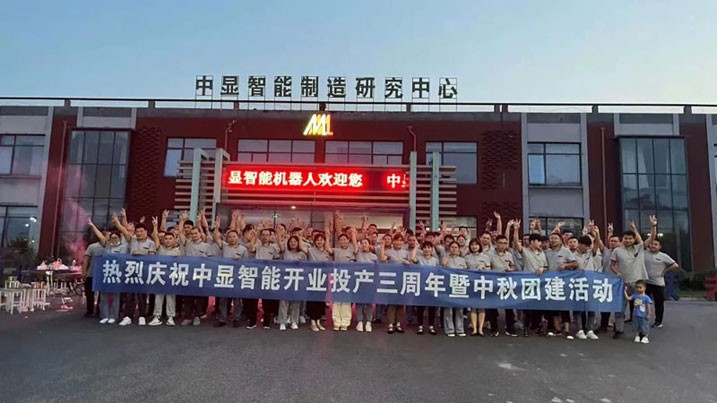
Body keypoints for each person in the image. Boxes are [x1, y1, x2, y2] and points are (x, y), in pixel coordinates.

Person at [610, 217, 656, 340]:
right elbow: (612, 265)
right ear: (623, 239)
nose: (628, 240)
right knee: (620, 308)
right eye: (626, 238)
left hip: (638, 283)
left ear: (634, 239)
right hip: (623, 283)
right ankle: (619, 329)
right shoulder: (617, 251)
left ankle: (641, 331)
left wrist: (653, 226)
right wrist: (617, 272)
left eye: (630, 238)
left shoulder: (639, 248)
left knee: (640, 308)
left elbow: (651, 238)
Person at [114, 216, 156, 326]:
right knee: (129, 295)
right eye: (137, 231)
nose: (139, 233)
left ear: (146, 232)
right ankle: (128, 316)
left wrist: (141, 254)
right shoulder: (132, 240)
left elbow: (152, 258)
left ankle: (142, 316)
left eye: (141, 231)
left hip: (143, 272)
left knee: (142, 295)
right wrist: (117, 221)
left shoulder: (150, 243)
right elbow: (124, 230)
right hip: (131, 271)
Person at [176, 212, 214, 327]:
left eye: (196, 233)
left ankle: (197, 316)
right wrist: (182, 220)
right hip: (188, 274)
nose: (194, 235)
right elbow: (180, 232)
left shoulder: (206, 246)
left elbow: (211, 261)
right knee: (188, 297)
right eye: (192, 234)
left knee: (200, 297)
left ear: (200, 234)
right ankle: (188, 317)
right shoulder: (187, 243)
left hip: (201, 275)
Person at [212, 217, 250, 327]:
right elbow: (216, 238)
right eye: (230, 237)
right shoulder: (224, 246)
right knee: (223, 299)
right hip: (225, 275)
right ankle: (222, 318)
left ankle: (236, 318)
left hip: (237, 276)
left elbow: (247, 264)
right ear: (227, 238)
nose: (232, 238)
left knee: (237, 299)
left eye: (234, 236)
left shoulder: (243, 249)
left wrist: (240, 260)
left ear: (238, 237)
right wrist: (217, 228)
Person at [512, 221, 548, 337]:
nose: (540, 243)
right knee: (527, 308)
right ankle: (526, 327)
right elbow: (516, 244)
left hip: (540, 283)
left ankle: (537, 327)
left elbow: (546, 266)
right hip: (528, 283)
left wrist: (542, 268)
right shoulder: (525, 251)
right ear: (532, 242)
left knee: (539, 307)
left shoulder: (542, 254)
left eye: (541, 241)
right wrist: (516, 229)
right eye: (538, 241)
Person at [88, 220, 125, 324]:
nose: (113, 239)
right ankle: (104, 315)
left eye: (115, 238)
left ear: (119, 238)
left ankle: (113, 315)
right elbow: (101, 236)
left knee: (115, 297)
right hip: (106, 273)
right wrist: (93, 225)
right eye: (112, 238)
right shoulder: (108, 245)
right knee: (104, 296)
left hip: (117, 274)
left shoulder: (123, 247)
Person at [149, 217, 182, 326]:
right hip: (160, 276)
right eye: (166, 238)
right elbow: (155, 237)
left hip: (172, 277)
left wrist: (182, 222)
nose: (167, 240)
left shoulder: (178, 251)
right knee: (158, 296)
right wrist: (155, 226)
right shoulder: (160, 249)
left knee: (171, 297)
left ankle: (170, 317)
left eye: (170, 238)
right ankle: (157, 316)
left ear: (174, 240)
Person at [545, 231, 578, 340]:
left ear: (560, 240)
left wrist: (566, 266)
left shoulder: (566, 251)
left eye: (555, 238)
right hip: (550, 283)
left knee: (564, 307)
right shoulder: (547, 252)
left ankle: (567, 330)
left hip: (563, 283)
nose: (553, 240)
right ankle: (557, 329)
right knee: (553, 307)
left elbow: (575, 263)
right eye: (552, 238)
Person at [487, 235, 518, 337]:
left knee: (509, 306)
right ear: (496, 243)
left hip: (506, 283)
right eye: (500, 243)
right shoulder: (489, 254)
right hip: (494, 283)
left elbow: (513, 267)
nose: (502, 245)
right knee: (492, 307)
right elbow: (487, 269)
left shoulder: (509, 255)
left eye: (505, 243)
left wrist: (510, 270)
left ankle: (510, 328)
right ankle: (494, 328)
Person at [380, 234, 411, 334]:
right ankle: (390, 324)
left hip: (402, 280)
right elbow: (382, 259)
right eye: (397, 240)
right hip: (391, 280)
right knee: (391, 303)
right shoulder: (389, 252)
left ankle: (398, 324)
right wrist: (382, 246)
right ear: (393, 242)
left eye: (401, 240)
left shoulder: (406, 253)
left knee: (400, 303)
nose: (398, 242)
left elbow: (411, 264)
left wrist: (407, 262)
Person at [644, 239, 679, 328]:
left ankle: (658, 321)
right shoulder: (645, 253)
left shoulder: (663, 256)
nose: (653, 246)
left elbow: (675, 265)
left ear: (659, 247)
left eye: (656, 244)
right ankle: (642, 319)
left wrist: (665, 271)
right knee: (642, 302)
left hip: (658, 283)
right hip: (645, 282)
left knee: (658, 303)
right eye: (652, 244)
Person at [573, 234, 602, 340]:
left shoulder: (591, 253)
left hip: (590, 284)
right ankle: (579, 330)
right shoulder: (572, 255)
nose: (586, 247)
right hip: (577, 284)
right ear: (579, 244)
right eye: (584, 245)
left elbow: (597, 244)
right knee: (578, 308)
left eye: (587, 246)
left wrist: (596, 234)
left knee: (591, 307)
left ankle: (590, 330)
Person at [255, 227, 282, 329]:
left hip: (268, 276)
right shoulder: (257, 246)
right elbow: (251, 248)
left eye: (267, 235)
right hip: (257, 275)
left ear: (271, 236)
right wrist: (257, 232)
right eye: (263, 235)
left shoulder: (273, 248)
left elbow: (277, 259)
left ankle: (266, 320)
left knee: (267, 299)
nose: (265, 237)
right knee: (255, 298)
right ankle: (252, 320)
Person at [279, 235, 308, 330]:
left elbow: (306, 268)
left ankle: (294, 321)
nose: (293, 243)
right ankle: (282, 321)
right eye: (291, 241)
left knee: (296, 301)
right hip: (285, 279)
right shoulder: (285, 252)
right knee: (283, 301)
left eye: (295, 241)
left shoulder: (302, 254)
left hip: (297, 279)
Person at [332, 228, 358, 331]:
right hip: (338, 278)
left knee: (346, 301)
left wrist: (354, 234)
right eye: (341, 240)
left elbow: (356, 248)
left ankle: (345, 322)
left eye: (344, 239)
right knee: (337, 301)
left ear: (348, 240)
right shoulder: (336, 250)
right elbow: (327, 249)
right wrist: (328, 233)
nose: (343, 241)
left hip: (348, 278)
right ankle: (336, 322)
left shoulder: (352, 250)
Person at [307, 231, 332, 332]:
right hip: (312, 278)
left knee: (321, 300)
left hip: (323, 279)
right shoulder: (310, 250)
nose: (319, 242)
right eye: (317, 240)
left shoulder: (327, 252)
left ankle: (318, 321)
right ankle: (312, 321)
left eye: (321, 240)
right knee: (313, 300)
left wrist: (328, 236)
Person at [464, 238, 490, 336]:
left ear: (479, 246)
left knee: (482, 307)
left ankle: (480, 328)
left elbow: (489, 269)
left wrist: (484, 268)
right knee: (473, 307)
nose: (474, 246)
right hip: (471, 284)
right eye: (472, 245)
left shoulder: (485, 257)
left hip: (482, 284)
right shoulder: (466, 258)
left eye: (476, 244)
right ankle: (474, 328)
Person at [442, 241, 467, 337]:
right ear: (449, 249)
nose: (454, 249)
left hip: (460, 285)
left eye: (456, 247)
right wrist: (444, 264)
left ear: (459, 249)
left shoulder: (462, 260)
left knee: (459, 309)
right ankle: (449, 329)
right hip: (448, 285)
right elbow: (441, 271)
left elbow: (466, 272)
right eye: (452, 247)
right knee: (448, 309)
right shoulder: (445, 258)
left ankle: (460, 329)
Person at [414, 241, 438, 335]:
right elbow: (412, 259)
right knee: (420, 307)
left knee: (431, 307)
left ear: (432, 249)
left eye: (429, 247)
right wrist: (416, 247)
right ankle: (420, 326)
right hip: (421, 286)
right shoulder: (419, 258)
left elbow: (439, 272)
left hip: (432, 286)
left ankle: (431, 326)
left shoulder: (435, 260)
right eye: (425, 247)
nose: (427, 249)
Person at [355, 238, 378, 333]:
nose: (364, 244)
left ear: (369, 244)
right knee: (359, 303)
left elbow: (378, 269)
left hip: (370, 282)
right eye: (362, 243)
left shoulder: (374, 257)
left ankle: (368, 321)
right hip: (359, 282)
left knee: (369, 303)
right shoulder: (357, 254)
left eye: (365, 243)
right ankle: (359, 321)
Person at [623, 280, 653, 344]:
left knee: (644, 326)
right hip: (635, 314)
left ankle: (645, 337)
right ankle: (637, 335)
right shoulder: (634, 295)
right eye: (636, 287)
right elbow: (628, 298)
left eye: (640, 287)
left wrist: (649, 314)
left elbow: (648, 306)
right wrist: (625, 291)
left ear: (644, 288)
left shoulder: (646, 297)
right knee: (636, 326)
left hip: (643, 315)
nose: (638, 289)